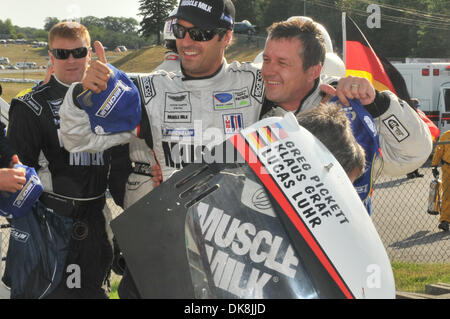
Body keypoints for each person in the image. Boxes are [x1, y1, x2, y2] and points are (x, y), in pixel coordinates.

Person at [259, 18, 433, 214]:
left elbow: (413, 154)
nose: (268, 71)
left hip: (335, 238)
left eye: (282, 63)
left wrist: (378, 104)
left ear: (314, 71)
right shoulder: (247, 100)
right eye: (266, 60)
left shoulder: (347, 111)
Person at [6, 21, 116, 299]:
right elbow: (16, 176)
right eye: (62, 53)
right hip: (50, 226)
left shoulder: (111, 100)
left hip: (98, 222)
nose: (71, 60)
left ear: (89, 54)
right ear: (50, 56)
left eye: (78, 52)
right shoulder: (30, 106)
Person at [431, 130, 450, 232]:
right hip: (448, 169)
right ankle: (445, 221)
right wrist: (434, 165)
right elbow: (439, 150)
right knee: (447, 195)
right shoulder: (446, 135)